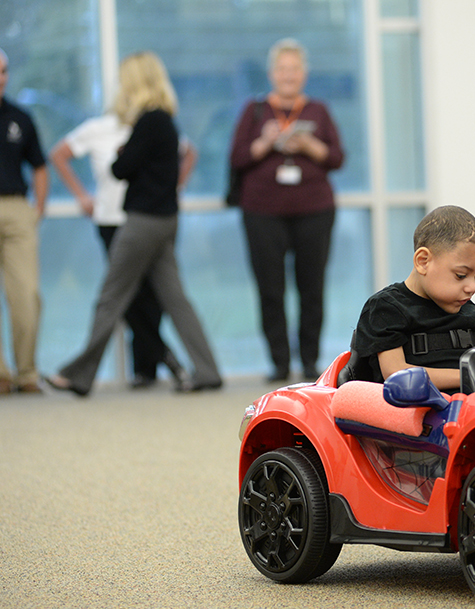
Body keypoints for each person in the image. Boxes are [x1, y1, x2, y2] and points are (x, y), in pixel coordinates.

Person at [45, 51, 221, 396]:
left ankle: (78, 375)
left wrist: (124, 153)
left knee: (111, 297)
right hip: (166, 220)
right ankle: (207, 370)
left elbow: (119, 170)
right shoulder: (167, 122)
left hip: (142, 221)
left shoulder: (149, 121)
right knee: (176, 300)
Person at [228, 38, 344, 383]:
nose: (288, 75)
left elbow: (337, 158)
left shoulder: (318, 111)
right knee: (270, 289)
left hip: (315, 209)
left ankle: (310, 363)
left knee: (312, 287)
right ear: (271, 74)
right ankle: (279, 363)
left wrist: (309, 144)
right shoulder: (254, 110)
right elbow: (237, 158)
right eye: (282, 69)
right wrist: (265, 143)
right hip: (262, 212)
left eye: (294, 69)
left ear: (304, 74)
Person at [352, 205, 475, 392]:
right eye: (460, 275)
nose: (472, 287)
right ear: (423, 261)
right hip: (410, 412)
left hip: (469, 413)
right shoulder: (386, 308)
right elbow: (397, 375)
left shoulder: (471, 313)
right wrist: (470, 375)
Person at [0, 48, 48, 395]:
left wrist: (38, 209)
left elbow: (40, 166)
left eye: (3, 71)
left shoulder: (20, 117)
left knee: (27, 294)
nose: (0, 78)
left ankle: (26, 372)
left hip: (16, 209)